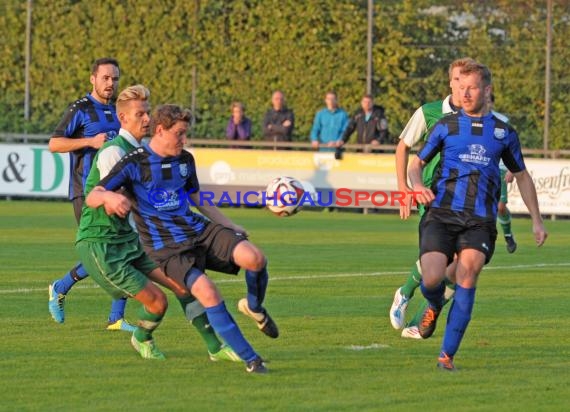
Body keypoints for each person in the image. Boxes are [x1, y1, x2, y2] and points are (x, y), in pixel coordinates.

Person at [92, 104, 276, 372]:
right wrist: (109, 196)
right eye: (179, 133)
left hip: (198, 230)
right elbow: (93, 194)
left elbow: (196, 196)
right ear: (160, 131)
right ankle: (251, 359)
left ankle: (254, 306)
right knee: (207, 291)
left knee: (255, 258)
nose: (183, 139)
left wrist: (228, 224)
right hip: (167, 248)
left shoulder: (185, 160)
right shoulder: (134, 162)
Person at [78, 84, 240, 363]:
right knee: (157, 302)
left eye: (148, 113)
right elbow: (101, 195)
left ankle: (216, 348)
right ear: (123, 119)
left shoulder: (144, 151)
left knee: (183, 284)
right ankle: (141, 337)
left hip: (131, 240)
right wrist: (110, 199)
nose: (147, 119)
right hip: (102, 244)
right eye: (140, 113)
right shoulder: (114, 153)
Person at [408, 61, 547, 371]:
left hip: (480, 220)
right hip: (441, 214)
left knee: (467, 273)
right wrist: (417, 186)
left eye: (471, 87)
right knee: (432, 277)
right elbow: (415, 163)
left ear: (486, 90)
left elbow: (521, 175)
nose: (465, 93)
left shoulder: (503, 132)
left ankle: (446, 357)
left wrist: (536, 219)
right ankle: (433, 302)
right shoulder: (446, 125)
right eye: (460, 87)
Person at [389, 57, 475, 338]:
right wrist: (404, 188)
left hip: (467, 198)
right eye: (458, 80)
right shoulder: (430, 113)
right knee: (444, 258)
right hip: (433, 195)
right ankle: (405, 292)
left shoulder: (478, 118)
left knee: (462, 264)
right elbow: (403, 147)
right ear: (450, 82)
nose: (464, 87)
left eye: (469, 81)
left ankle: (417, 320)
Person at [47, 57, 134, 332]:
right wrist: (89, 141)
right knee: (106, 251)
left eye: (115, 79)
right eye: (106, 78)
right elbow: (54, 143)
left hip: (116, 192)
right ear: (93, 79)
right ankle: (61, 287)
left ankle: (116, 318)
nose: (111, 83)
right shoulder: (81, 109)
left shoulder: (119, 110)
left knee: (124, 249)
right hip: (86, 193)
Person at [489, 93, 517, 253]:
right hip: (481, 169)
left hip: (499, 169)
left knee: (500, 207)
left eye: (488, 101)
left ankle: (508, 236)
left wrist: (512, 169)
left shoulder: (502, 121)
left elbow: (511, 147)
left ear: (492, 103)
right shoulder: (472, 119)